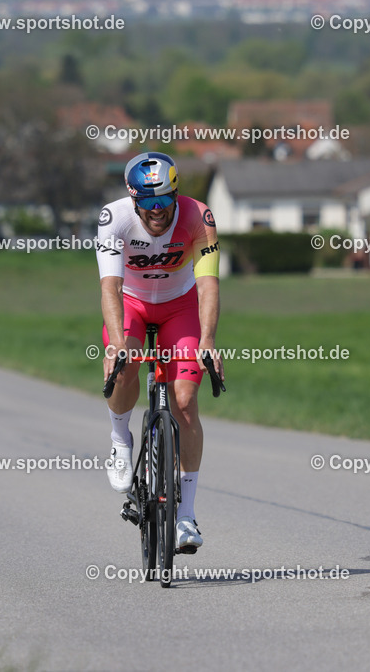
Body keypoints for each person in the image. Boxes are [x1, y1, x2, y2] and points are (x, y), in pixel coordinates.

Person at [96, 151, 223, 553]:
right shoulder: (113, 219)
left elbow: (208, 285)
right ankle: (120, 438)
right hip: (132, 303)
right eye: (147, 203)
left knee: (185, 404)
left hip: (180, 305)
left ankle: (185, 516)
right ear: (133, 200)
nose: (156, 210)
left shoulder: (198, 217)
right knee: (125, 364)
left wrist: (207, 342)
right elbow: (110, 288)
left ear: (176, 193)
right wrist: (117, 342)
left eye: (164, 200)